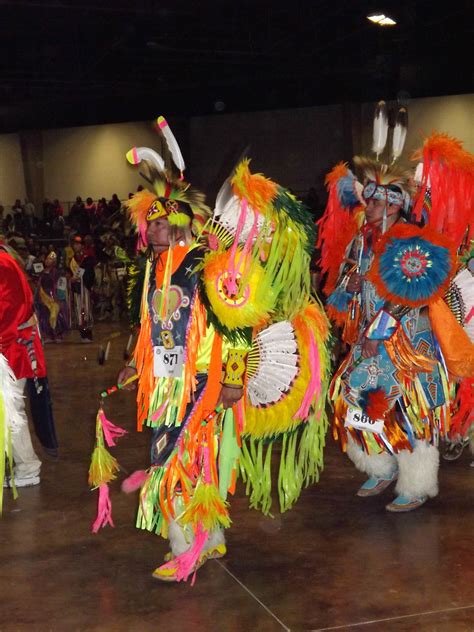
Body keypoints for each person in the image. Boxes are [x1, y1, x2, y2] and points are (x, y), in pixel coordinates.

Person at [90, 126, 330, 583]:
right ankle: (209, 536)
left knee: (180, 460)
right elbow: (151, 327)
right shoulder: (152, 268)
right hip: (164, 385)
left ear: (180, 221)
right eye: (150, 222)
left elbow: (235, 323)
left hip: (203, 381)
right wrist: (134, 363)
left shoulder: (206, 264)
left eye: (160, 221)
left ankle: (188, 547)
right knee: (183, 458)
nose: (152, 228)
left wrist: (234, 380)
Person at [319, 111, 474, 512]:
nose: (366, 207)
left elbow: (409, 297)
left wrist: (377, 333)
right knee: (350, 402)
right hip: (368, 343)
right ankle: (381, 464)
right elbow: (343, 296)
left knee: (409, 414)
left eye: (374, 201)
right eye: (366, 200)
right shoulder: (360, 243)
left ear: (392, 204)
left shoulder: (410, 241)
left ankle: (416, 484)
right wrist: (347, 289)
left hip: (408, 346)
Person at [0, 242, 44, 490]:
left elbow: (12, 314)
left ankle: (28, 466)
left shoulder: (2, 264)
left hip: (10, 352)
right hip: (11, 349)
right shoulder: (5, 260)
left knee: (10, 410)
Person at [35, 251, 69, 343]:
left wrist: (60, 297)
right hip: (43, 296)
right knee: (44, 315)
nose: (48, 261)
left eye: (51, 259)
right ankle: (48, 335)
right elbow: (38, 285)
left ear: (54, 262)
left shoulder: (57, 273)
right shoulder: (41, 272)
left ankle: (57, 335)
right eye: (47, 259)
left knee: (55, 315)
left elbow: (61, 285)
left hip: (53, 296)